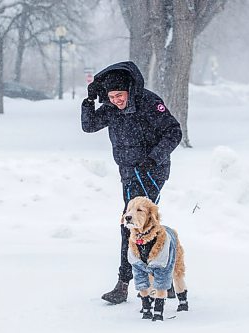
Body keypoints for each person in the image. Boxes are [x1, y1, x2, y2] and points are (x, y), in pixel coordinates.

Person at [80, 61, 182, 304]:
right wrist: (88, 102)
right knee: (144, 225)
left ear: (129, 90)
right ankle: (162, 282)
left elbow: (174, 132)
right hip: (127, 173)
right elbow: (89, 125)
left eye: (120, 95)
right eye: (112, 96)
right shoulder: (110, 108)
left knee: (132, 225)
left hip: (151, 173)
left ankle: (124, 284)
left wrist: (153, 158)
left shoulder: (148, 103)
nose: (116, 100)